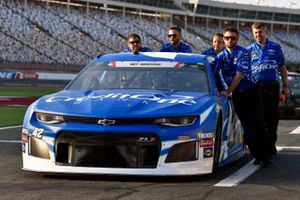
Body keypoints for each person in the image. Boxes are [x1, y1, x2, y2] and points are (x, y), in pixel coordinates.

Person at [214, 27, 271, 165]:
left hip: (252, 91)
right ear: (224, 39)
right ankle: (256, 154)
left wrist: (228, 91)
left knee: (258, 123)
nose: (229, 40)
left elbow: (240, 75)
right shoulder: (220, 56)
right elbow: (214, 74)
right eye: (227, 38)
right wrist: (221, 89)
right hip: (237, 94)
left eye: (233, 38)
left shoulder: (243, 53)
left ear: (237, 39)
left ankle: (265, 155)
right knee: (246, 125)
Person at [247, 22, 289, 156]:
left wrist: (286, 86)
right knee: (258, 119)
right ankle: (260, 148)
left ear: (266, 32)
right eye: (256, 33)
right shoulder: (248, 50)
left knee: (272, 119)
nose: (258, 35)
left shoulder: (276, 47)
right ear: (253, 34)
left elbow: (282, 68)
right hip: (255, 88)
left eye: (261, 32)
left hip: (272, 87)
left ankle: (270, 146)